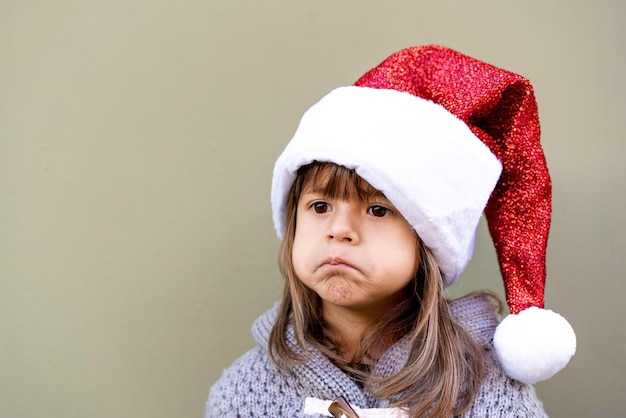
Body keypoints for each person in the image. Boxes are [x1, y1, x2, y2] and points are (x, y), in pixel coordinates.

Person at [206, 45, 576, 417]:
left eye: (378, 210)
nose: (340, 230)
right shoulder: (243, 393)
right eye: (320, 207)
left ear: (427, 242)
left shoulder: (490, 391)